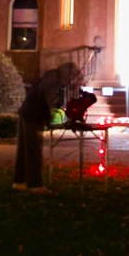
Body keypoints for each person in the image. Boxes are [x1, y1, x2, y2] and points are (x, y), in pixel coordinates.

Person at [13, 62, 79, 193]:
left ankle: (20, 181)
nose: (73, 80)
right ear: (68, 73)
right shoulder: (53, 79)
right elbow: (48, 96)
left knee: (23, 151)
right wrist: (56, 106)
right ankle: (35, 185)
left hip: (27, 112)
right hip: (33, 115)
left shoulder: (51, 76)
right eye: (73, 76)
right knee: (33, 150)